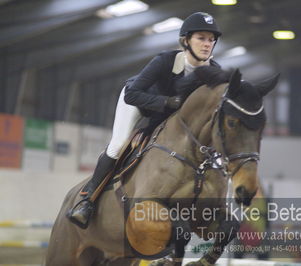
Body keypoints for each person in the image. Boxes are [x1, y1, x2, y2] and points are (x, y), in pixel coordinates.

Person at [67, 12, 222, 228]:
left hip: (172, 118)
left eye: (211, 39)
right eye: (201, 38)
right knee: (119, 144)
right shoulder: (164, 60)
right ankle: (88, 199)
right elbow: (133, 94)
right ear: (186, 40)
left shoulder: (214, 72)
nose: (207, 44)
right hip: (139, 102)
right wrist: (167, 102)